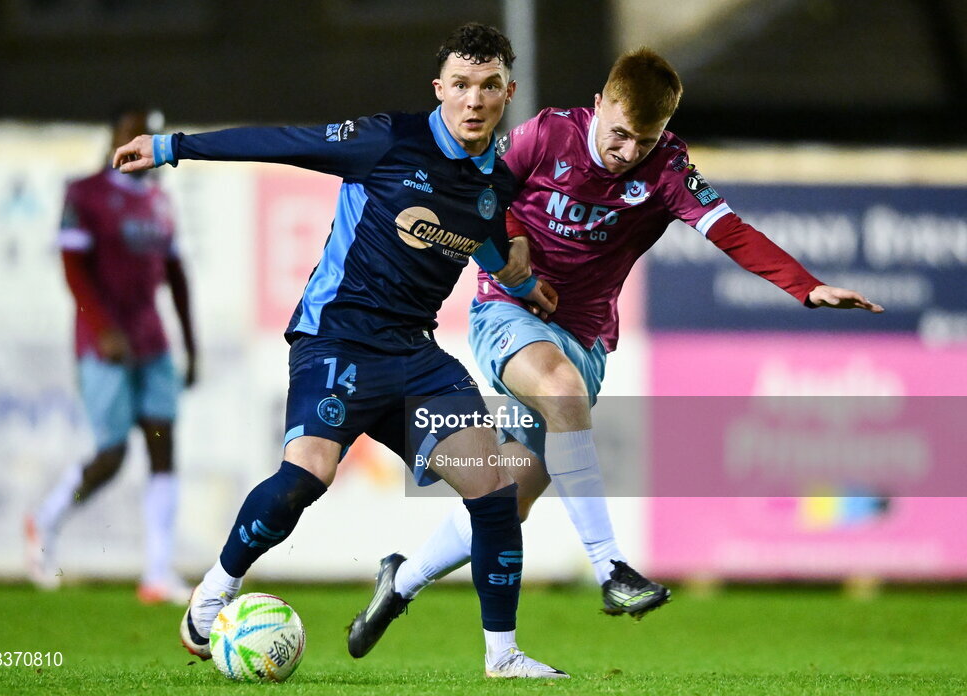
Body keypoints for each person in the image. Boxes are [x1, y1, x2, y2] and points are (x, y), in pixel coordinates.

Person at [346, 46, 885, 655]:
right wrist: (515, 244)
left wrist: (806, 287)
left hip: (586, 338)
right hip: (509, 311)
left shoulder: (669, 168)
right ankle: (611, 570)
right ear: (599, 105)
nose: (629, 152)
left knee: (502, 503)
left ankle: (401, 581)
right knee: (560, 390)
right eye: (621, 134)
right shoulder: (548, 134)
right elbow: (481, 192)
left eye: (645, 140)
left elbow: (731, 231)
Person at [113, 23, 567, 679]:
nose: (474, 99)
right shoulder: (387, 140)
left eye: (489, 86)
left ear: (507, 93)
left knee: (494, 488)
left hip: (416, 359)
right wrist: (172, 146)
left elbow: (490, 246)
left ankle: (503, 656)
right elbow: (282, 143)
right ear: (439, 89)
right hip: (339, 340)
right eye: (462, 85)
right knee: (308, 477)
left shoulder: (494, 182)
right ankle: (214, 588)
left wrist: (525, 284)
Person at [25, 105, 199, 604]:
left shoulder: (159, 201)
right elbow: (75, 270)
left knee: (163, 445)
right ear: (113, 139)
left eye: (149, 136)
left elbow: (178, 278)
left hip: (151, 341)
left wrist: (190, 343)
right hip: (103, 343)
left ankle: (158, 572)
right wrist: (103, 329)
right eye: (130, 133)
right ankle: (45, 521)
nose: (138, 143)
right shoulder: (85, 194)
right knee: (113, 454)